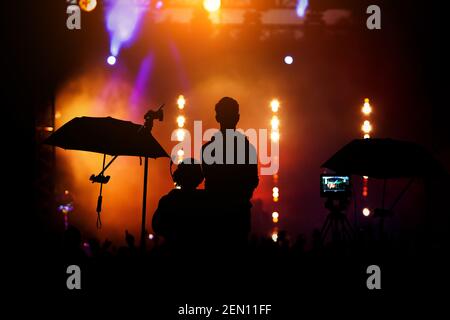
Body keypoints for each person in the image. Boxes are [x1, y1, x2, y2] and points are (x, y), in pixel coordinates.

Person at [201, 97, 259, 247]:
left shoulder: (207, 149)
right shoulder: (248, 149)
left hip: (214, 215)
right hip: (238, 215)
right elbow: (253, 180)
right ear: (237, 118)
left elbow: (207, 178)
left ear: (217, 117)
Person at [152, 158, 208, 253]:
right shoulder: (205, 200)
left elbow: (157, 226)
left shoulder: (168, 200)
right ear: (199, 178)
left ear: (177, 176)